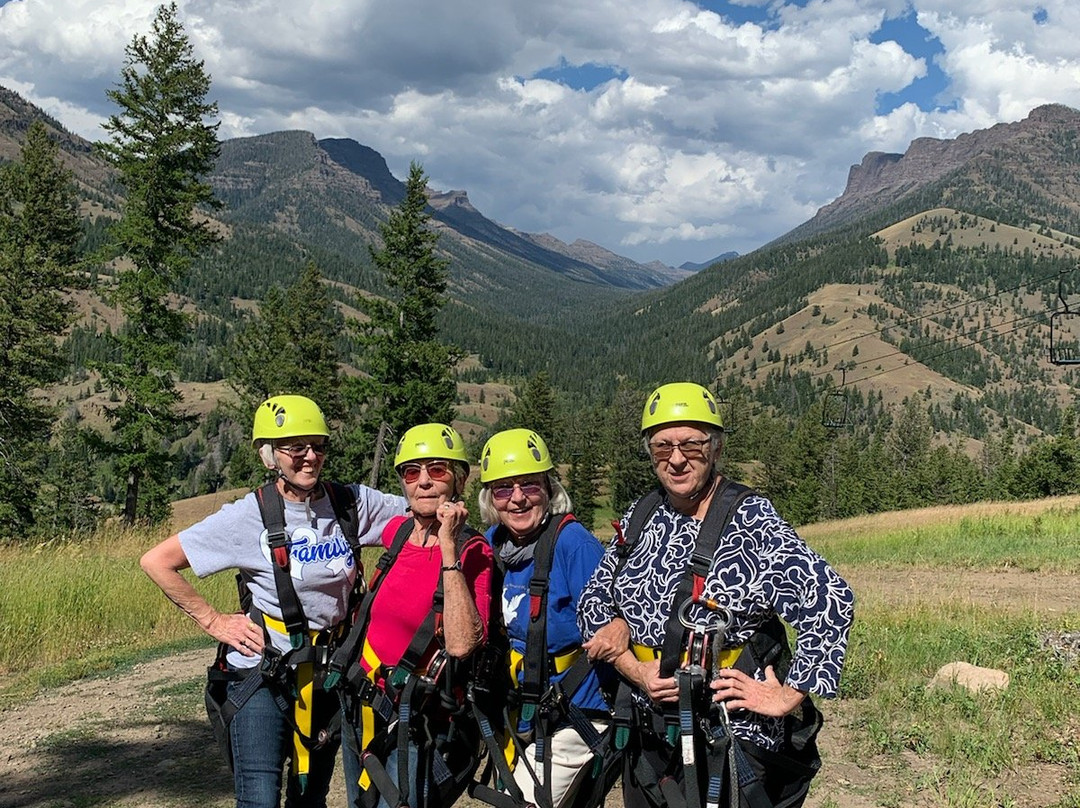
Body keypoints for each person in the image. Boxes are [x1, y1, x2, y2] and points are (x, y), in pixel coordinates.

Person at [577, 382, 855, 808]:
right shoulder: (643, 512)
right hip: (649, 733)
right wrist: (631, 664)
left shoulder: (751, 520)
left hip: (728, 735)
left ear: (716, 448)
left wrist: (785, 696)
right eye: (662, 446)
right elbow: (593, 599)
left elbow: (830, 600)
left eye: (692, 444)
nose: (676, 459)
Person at [140, 394, 407, 808]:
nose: (310, 457)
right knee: (260, 798)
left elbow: (418, 511)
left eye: (318, 446)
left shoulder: (350, 503)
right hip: (263, 674)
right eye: (295, 448)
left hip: (328, 676)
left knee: (310, 798)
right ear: (270, 456)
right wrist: (213, 621)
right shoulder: (248, 516)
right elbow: (157, 561)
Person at [338, 422, 494, 808]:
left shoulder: (474, 551)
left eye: (437, 470)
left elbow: (462, 644)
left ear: (459, 480)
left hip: (417, 719)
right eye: (412, 472)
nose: (423, 481)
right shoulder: (396, 531)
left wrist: (448, 546)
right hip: (364, 703)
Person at [473, 428, 616, 808]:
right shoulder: (494, 544)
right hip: (522, 708)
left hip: (575, 710)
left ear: (549, 488)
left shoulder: (574, 545)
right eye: (503, 488)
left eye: (530, 485)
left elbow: (611, 630)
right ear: (490, 498)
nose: (518, 498)